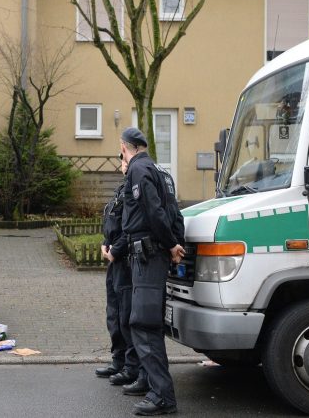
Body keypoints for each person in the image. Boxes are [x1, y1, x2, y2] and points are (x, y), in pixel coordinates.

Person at [119, 126, 185, 416]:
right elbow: (173, 210)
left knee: (144, 324)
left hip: (148, 254)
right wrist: (174, 241)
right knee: (146, 322)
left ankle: (162, 396)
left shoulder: (138, 170)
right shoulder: (158, 170)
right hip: (151, 253)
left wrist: (171, 245)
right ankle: (149, 380)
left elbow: (154, 210)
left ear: (125, 147)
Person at [96, 156, 142, 389]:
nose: (121, 164)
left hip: (124, 260)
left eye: (123, 159)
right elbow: (112, 222)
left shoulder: (134, 190)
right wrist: (106, 242)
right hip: (114, 260)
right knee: (113, 314)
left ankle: (131, 367)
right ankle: (118, 360)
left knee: (126, 315)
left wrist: (116, 249)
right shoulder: (121, 189)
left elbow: (131, 226)